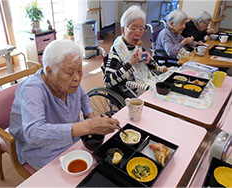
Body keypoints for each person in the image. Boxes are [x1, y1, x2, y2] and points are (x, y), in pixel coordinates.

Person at [9, 39, 120, 169]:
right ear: (49, 72)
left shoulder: (69, 82)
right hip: (42, 149)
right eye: (69, 72)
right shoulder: (32, 90)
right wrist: (88, 126)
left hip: (73, 139)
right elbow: (33, 133)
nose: (77, 78)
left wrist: (90, 116)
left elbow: (83, 97)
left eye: (80, 71)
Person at [103, 5, 167, 98]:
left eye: (141, 29)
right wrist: (130, 64)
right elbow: (108, 82)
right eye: (133, 28)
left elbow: (153, 67)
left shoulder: (138, 46)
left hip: (144, 84)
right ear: (123, 30)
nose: (138, 33)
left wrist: (149, 59)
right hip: (129, 92)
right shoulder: (117, 51)